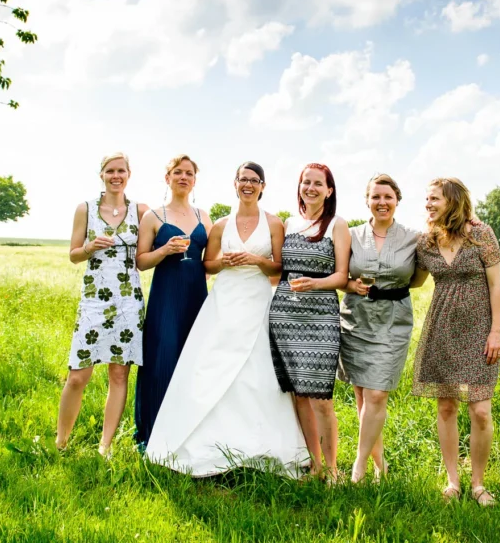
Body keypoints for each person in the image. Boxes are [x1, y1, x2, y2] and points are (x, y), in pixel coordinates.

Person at [146, 162, 309, 476]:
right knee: (211, 366)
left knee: (259, 374)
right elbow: (208, 266)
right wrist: (225, 261)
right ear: (235, 184)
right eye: (242, 179)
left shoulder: (274, 223)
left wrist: (257, 260)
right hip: (224, 303)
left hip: (259, 301)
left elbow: (279, 270)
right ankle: (210, 444)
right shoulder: (220, 224)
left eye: (254, 180)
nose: (248, 184)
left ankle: (262, 446)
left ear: (263, 186)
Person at [413, 177, 500, 506]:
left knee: (480, 411)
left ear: (453, 200)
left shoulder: (481, 235)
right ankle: (453, 481)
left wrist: (497, 331)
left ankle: (478, 484)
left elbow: (495, 286)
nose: (428, 204)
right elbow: (413, 280)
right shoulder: (426, 242)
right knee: (447, 406)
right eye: (427, 200)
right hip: (442, 330)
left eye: (434, 198)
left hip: (480, 332)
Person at [56, 152, 149, 456]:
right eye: (110, 171)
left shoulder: (141, 211)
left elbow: (150, 251)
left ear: (129, 174)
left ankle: (105, 445)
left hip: (128, 301)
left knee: (119, 374)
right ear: (102, 175)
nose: (116, 176)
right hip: (95, 299)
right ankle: (61, 442)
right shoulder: (86, 209)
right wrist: (89, 246)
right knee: (78, 375)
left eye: (121, 170)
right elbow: (73, 254)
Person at [338, 173, 428, 482]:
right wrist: (352, 284)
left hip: (393, 321)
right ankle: (381, 467)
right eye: (376, 197)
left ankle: (359, 468)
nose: (382, 202)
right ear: (367, 201)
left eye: (388, 197)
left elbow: (417, 278)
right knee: (363, 399)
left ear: (397, 201)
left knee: (377, 396)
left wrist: (392, 289)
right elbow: (340, 274)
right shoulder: (350, 235)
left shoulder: (413, 238)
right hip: (355, 319)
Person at [268, 163, 350, 480]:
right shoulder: (289, 223)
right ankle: (313, 464)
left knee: (321, 398)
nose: (311, 188)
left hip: (321, 315)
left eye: (318, 183)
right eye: (306, 182)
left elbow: (342, 275)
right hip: (285, 315)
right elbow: (277, 268)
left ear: (329, 190)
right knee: (299, 395)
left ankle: (332, 469)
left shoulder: (337, 226)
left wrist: (315, 284)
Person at [134, 154, 212, 448]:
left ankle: (189, 430)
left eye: (189, 173)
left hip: (196, 297)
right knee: (162, 360)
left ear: (194, 180)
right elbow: (141, 262)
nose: (183, 177)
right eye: (177, 172)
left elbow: (209, 261)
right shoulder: (153, 217)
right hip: (165, 298)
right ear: (167, 178)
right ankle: (154, 433)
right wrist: (165, 250)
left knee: (193, 363)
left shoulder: (204, 217)